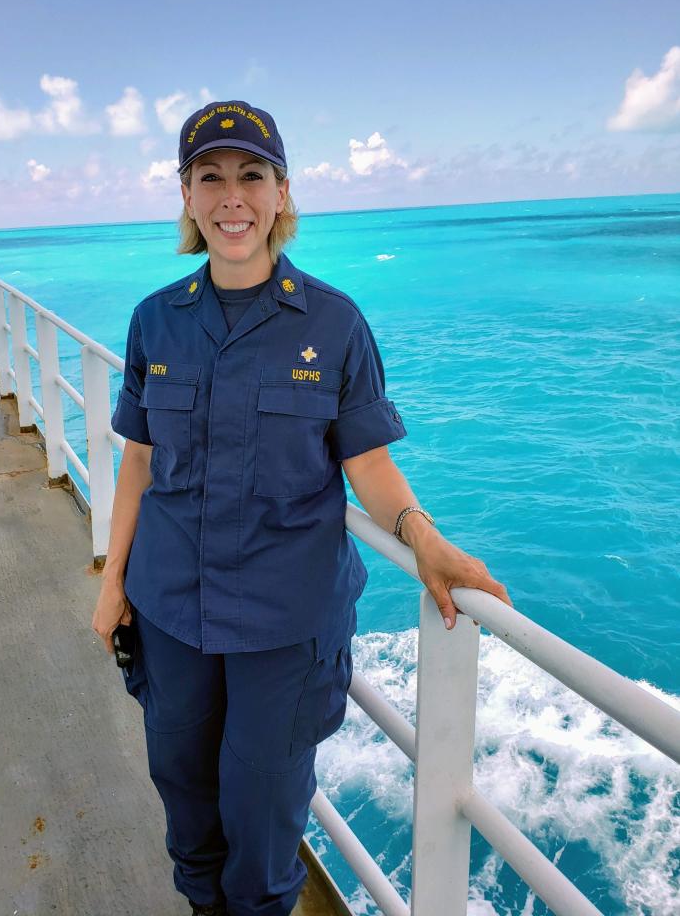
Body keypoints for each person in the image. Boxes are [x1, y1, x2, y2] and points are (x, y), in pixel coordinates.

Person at [92, 100, 514, 916]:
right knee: (186, 804)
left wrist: (423, 537)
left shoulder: (335, 322)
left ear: (282, 193)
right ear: (186, 196)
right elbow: (138, 461)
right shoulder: (155, 322)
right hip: (171, 610)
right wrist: (114, 582)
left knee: (264, 822)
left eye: (252, 175)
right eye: (209, 177)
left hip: (285, 626)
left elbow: (368, 462)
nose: (231, 196)